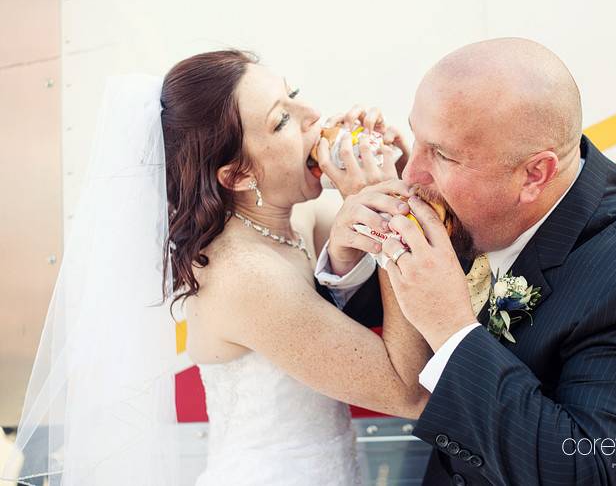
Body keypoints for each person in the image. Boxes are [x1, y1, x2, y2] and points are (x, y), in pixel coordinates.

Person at [8, 50, 431, 486]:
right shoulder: (245, 276)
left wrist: (396, 171)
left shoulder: (297, 221)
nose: (312, 116)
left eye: (294, 95)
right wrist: (387, 206)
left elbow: (363, 271)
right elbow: (408, 392)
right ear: (238, 175)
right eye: (281, 120)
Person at [320, 38, 616, 485]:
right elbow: (396, 316)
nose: (412, 173)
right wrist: (350, 258)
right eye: (417, 138)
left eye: (442, 154)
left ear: (535, 174)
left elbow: (581, 473)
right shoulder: (481, 208)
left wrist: (453, 330)